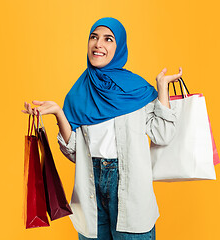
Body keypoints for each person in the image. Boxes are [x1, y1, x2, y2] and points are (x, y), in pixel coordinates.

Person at [22, 17, 182, 240]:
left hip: (130, 189)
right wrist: (59, 113)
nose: (98, 44)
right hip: (90, 189)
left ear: (119, 48)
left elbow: (163, 134)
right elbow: (74, 153)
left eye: (108, 39)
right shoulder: (78, 94)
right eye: (94, 37)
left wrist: (162, 88)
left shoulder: (136, 90)